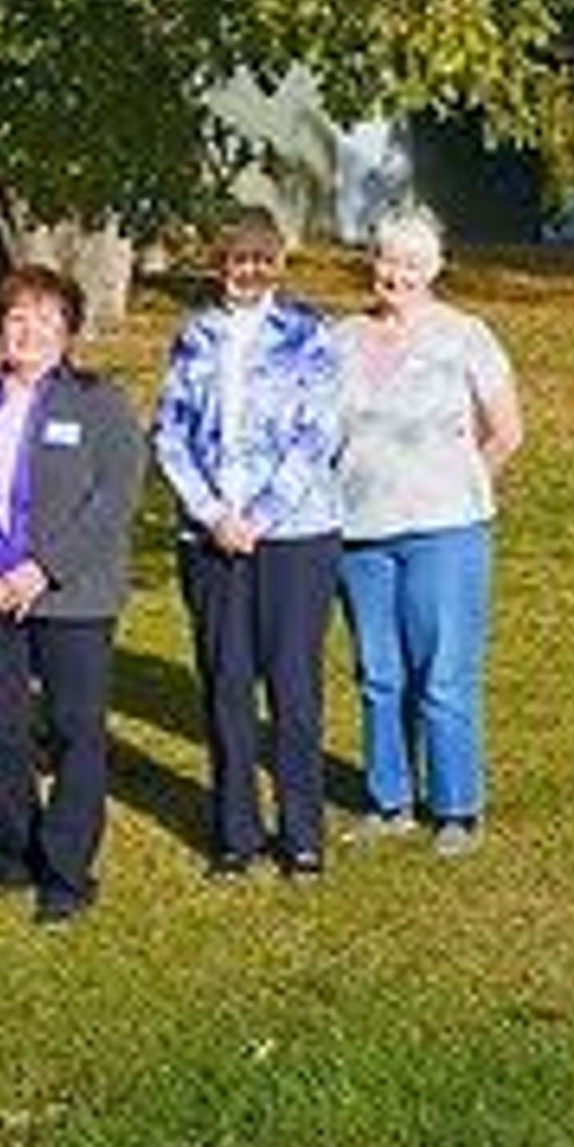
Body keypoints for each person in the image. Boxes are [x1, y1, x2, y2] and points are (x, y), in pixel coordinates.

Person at [0, 262, 142, 923]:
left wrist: (42, 569)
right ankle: (13, 850)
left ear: (69, 331)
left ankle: (67, 871)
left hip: (70, 595)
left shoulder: (100, 403)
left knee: (74, 730)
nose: (29, 331)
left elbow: (114, 497)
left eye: (45, 319)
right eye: (17, 316)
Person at [152, 206, 348, 878]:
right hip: (210, 536)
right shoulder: (195, 335)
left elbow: (317, 435)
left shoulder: (310, 334)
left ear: (279, 266)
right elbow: (171, 432)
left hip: (294, 534)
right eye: (239, 260)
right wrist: (211, 513)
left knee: (293, 686)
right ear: (221, 265)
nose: (249, 272)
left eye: (262, 261)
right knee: (226, 683)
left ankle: (301, 834)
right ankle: (235, 833)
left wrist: (260, 514)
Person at [332, 208, 523, 856]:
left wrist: (462, 484)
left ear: (434, 268)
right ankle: (390, 800)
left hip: (446, 529)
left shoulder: (466, 335)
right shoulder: (340, 337)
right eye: (388, 260)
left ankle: (456, 806)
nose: (397, 274)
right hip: (359, 530)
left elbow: (506, 431)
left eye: (412, 263)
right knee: (379, 672)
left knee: (443, 672)